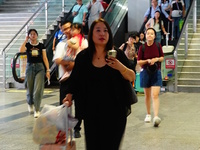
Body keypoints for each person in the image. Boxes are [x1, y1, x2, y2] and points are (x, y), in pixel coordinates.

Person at [63, 18, 135, 149]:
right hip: (91, 114)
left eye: (105, 30)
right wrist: (69, 96)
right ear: (91, 34)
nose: (102, 34)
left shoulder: (117, 54)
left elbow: (131, 76)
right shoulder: (83, 57)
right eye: (98, 30)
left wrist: (119, 66)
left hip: (115, 114)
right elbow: (75, 81)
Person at [19, 29, 50, 118]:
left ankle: (37, 109)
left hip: (40, 67)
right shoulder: (27, 45)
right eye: (31, 34)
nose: (33, 35)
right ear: (29, 36)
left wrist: (48, 70)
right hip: (29, 68)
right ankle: (30, 103)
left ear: (37, 35)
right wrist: (25, 40)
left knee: (38, 89)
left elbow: (45, 58)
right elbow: (21, 51)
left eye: (34, 34)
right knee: (30, 88)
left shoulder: (41, 45)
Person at [137, 27, 164, 127]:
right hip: (145, 72)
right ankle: (148, 114)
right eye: (148, 33)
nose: (150, 35)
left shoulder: (158, 45)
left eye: (152, 34)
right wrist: (147, 61)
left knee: (155, 95)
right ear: (145, 35)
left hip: (156, 72)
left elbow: (162, 58)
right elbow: (139, 61)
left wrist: (156, 59)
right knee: (147, 95)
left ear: (154, 36)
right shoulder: (142, 47)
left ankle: (156, 116)